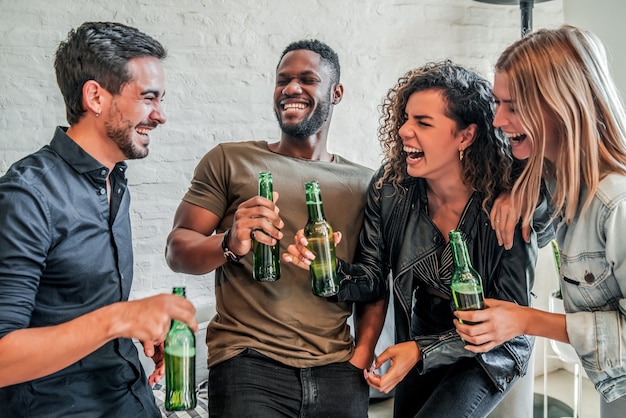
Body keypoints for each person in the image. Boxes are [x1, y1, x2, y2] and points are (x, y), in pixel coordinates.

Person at [285, 61, 539, 417]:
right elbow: (371, 277)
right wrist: (325, 266)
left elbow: (508, 317)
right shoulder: (390, 187)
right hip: (424, 328)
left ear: (465, 135)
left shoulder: (508, 201)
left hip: (490, 346)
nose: (404, 130)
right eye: (405, 118)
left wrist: (421, 351)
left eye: (423, 122)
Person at [165, 39, 386, 418]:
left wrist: (361, 355)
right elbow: (177, 250)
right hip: (247, 363)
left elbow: (376, 281)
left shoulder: (367, 185)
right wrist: (230, 241)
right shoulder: (230, 160)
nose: (291, 89)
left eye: (307, 79)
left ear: (337, 92)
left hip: (338, 369)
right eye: (282, 80)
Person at [0, 22, 198, 417]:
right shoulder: (26, 196)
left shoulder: (115, 182)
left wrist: (137, 325)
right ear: (95, 96)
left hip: (131, 399)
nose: (160, 116)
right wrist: (121, 318)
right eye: (148, 98)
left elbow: (79, 309)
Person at [455, 25, 626, 418]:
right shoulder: (562, 185)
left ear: (560, 104)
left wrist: (523, 321)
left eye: (512, 106)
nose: (498, 121)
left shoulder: (615, 204)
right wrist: (519, 191)